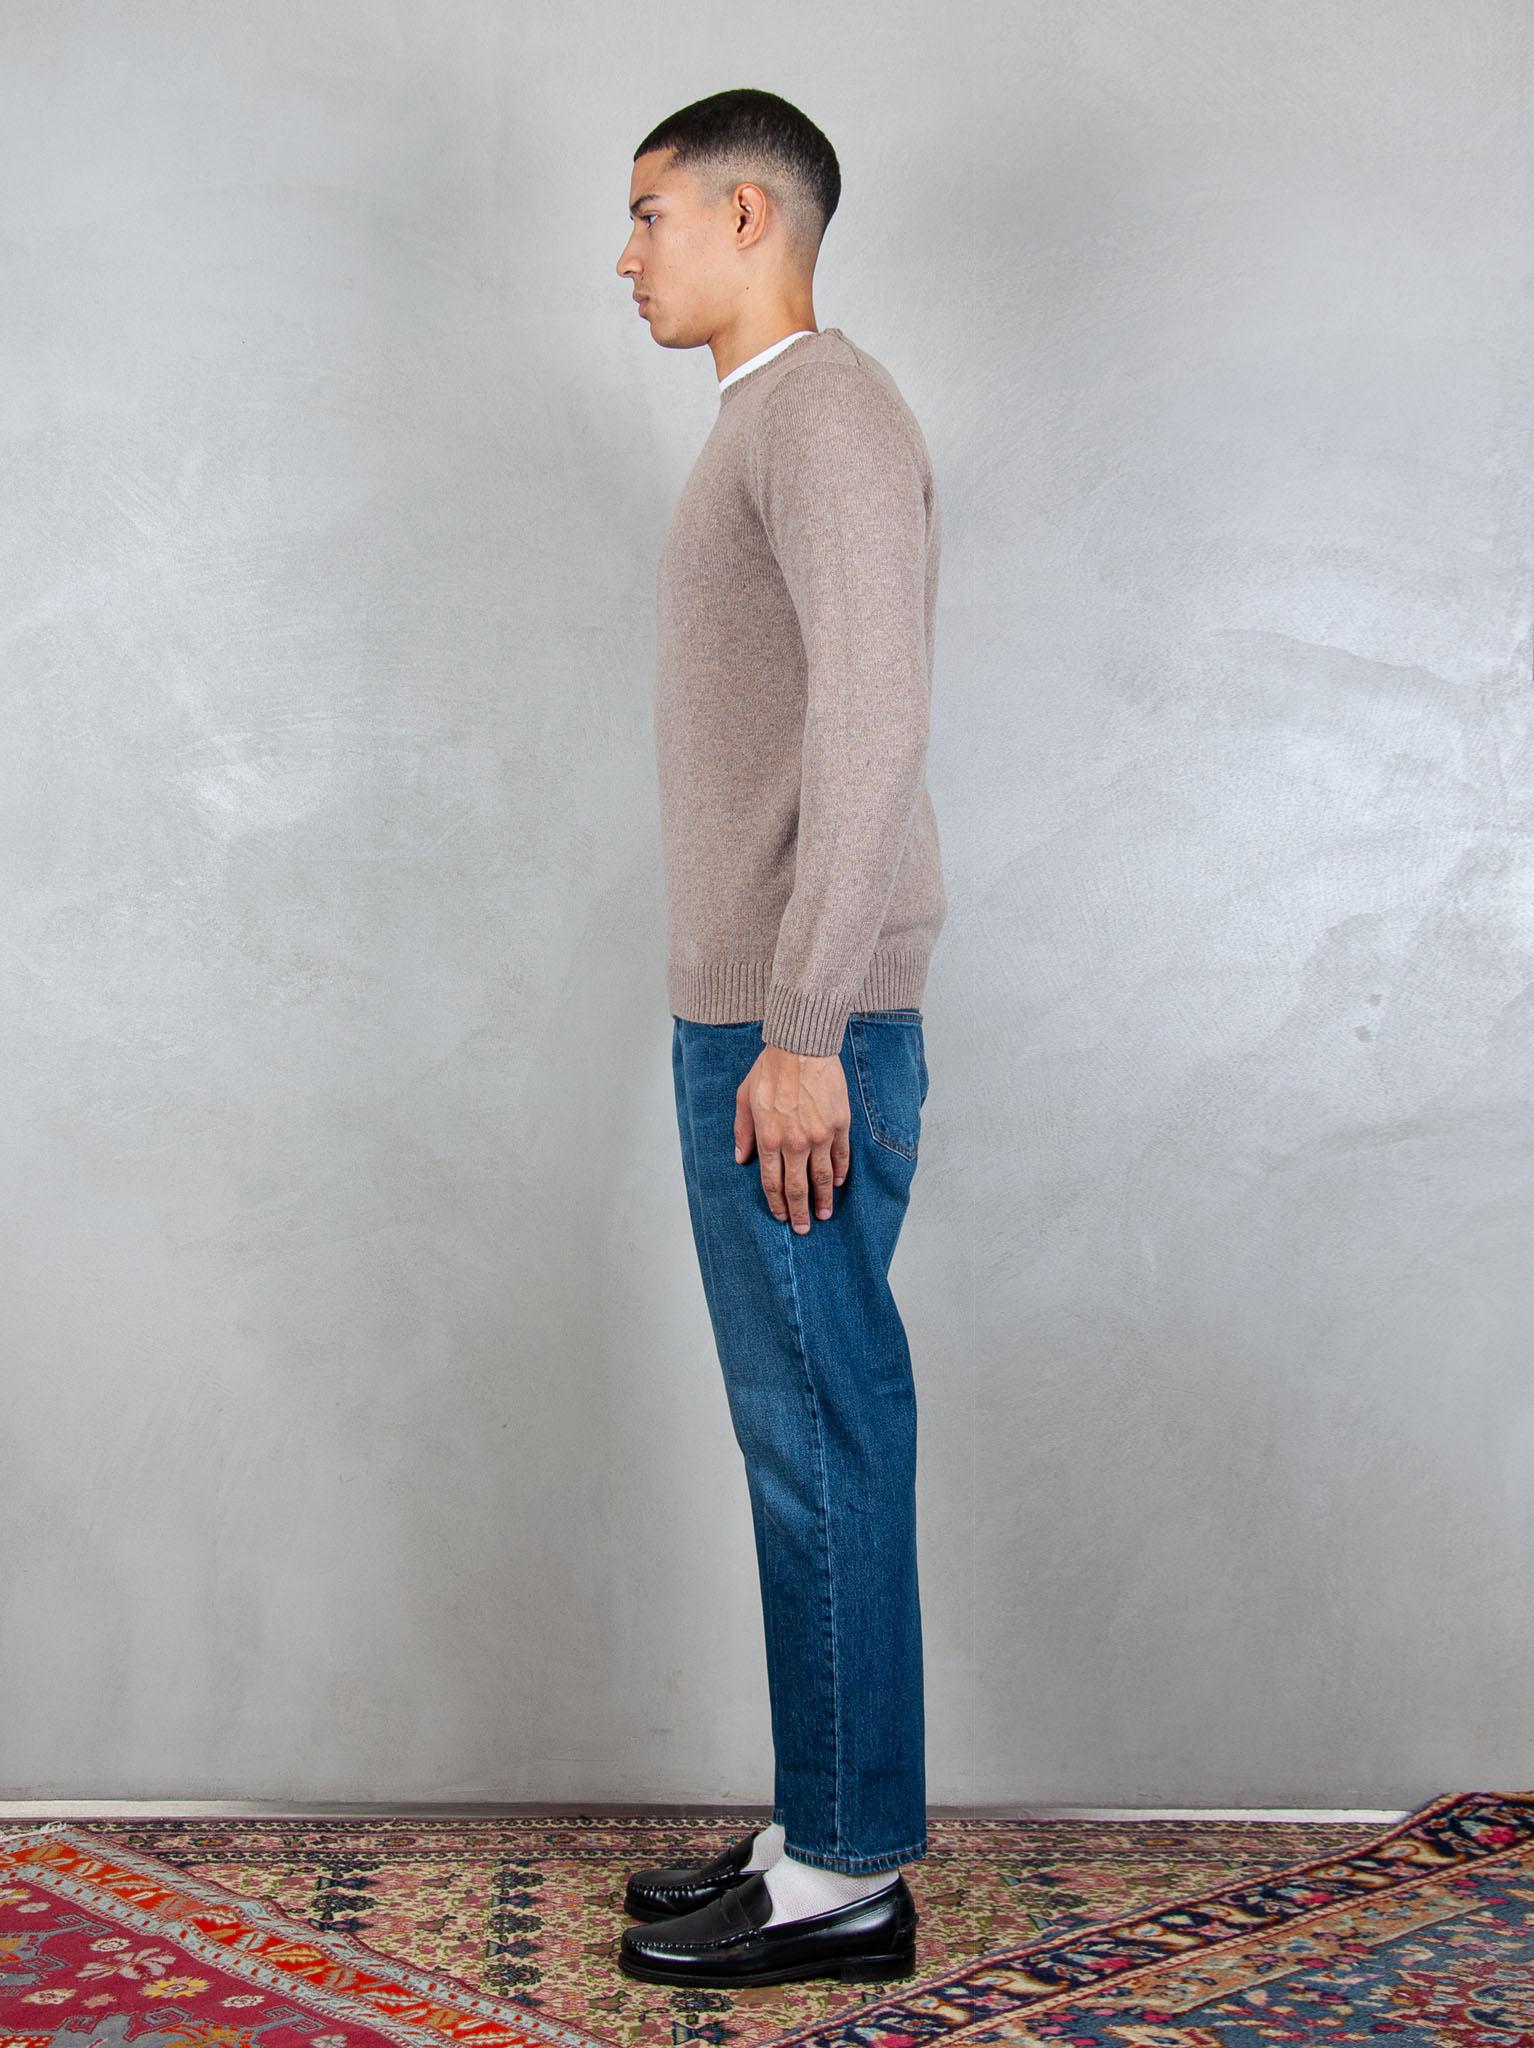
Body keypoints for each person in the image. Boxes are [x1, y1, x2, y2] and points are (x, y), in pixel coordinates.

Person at [612, 86, 948, 1991]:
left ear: (749, 216)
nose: (625, 256)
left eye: (649, 214)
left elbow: (874, 721)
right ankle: (823, 1815)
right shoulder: (766, 420)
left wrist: (803, 1024)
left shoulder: (822, 412)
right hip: (752, 1015)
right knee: (801, 1430)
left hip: (793, 1029)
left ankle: (843, 1879)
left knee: (820, 1430)